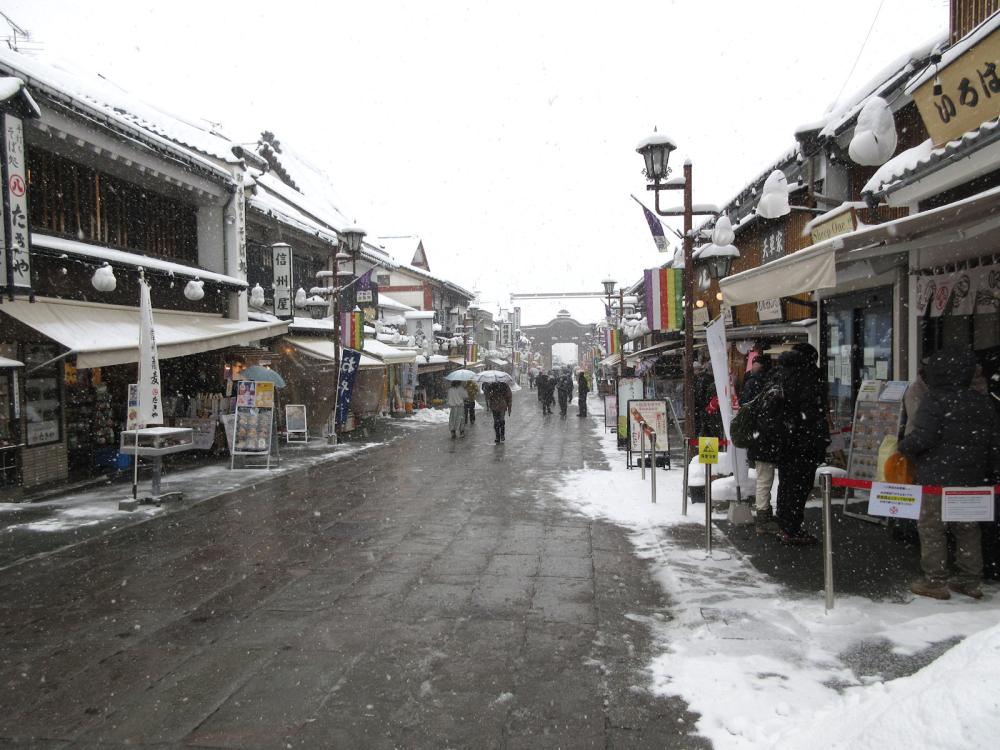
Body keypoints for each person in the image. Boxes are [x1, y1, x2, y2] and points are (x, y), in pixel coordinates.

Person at [898, 348, 1000, 600]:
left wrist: (903, 447)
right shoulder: (983, 401)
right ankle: (969, 579)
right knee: (967, 527)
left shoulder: (935, 400)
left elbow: (924, 437)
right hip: (974, 478)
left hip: (937, 477)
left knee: (932, 527)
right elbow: (994, 442)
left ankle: (935, 580)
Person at [757, 345, 830, 544]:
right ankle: (792, 528)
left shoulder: (778, 374)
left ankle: (785, 524)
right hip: (803, 443)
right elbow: (812, 413)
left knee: (787, 484)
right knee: (799, 487)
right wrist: (818, 438)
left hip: (783, 442)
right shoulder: (807, 376)